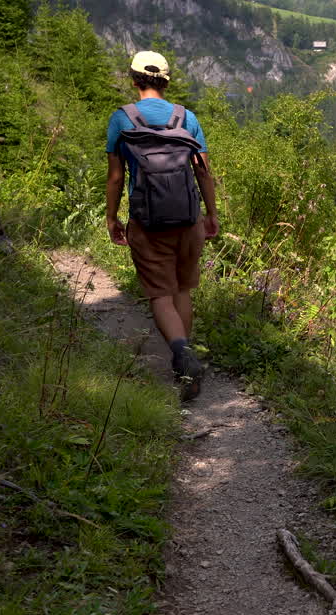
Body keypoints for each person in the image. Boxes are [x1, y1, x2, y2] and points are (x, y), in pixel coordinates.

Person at [105, 50, 218, 401]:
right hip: (188, 219)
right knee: (182, 290)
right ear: (166, 81)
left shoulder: (122, 119)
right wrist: (211, 215)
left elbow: (115, 176)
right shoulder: (187, 117)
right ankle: (186, 368)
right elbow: (202, 171)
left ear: (134, 79)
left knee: (160, 294)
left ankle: (182, 355)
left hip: (148, 221)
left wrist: (112, 217)